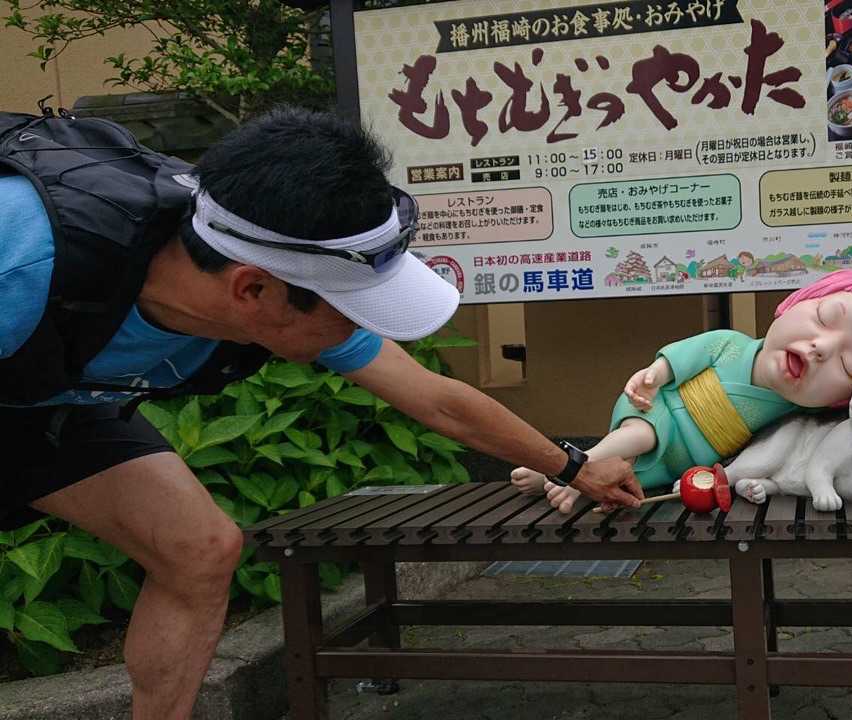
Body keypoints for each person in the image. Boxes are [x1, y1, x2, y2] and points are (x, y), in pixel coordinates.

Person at [0, 106, 642, 719]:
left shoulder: (263, 255)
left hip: (51, 400)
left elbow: (437, 399)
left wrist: (575, 466)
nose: (361, 329)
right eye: (353, 312)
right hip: (27, 357)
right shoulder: (20, 267)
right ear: (252, 289)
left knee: (200, 550)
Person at [512, 269, 852, 513]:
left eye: (849, 366)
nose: (821, 347)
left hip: (691, 459)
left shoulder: (795, 416)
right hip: (661, 408)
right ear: (793, 302)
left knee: (635, 479)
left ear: (844, 398)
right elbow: (685, 356)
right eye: (824, 317)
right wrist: (656, 373)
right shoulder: (729, 343)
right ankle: (576, 470)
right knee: (641, 436)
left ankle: (550, 472)